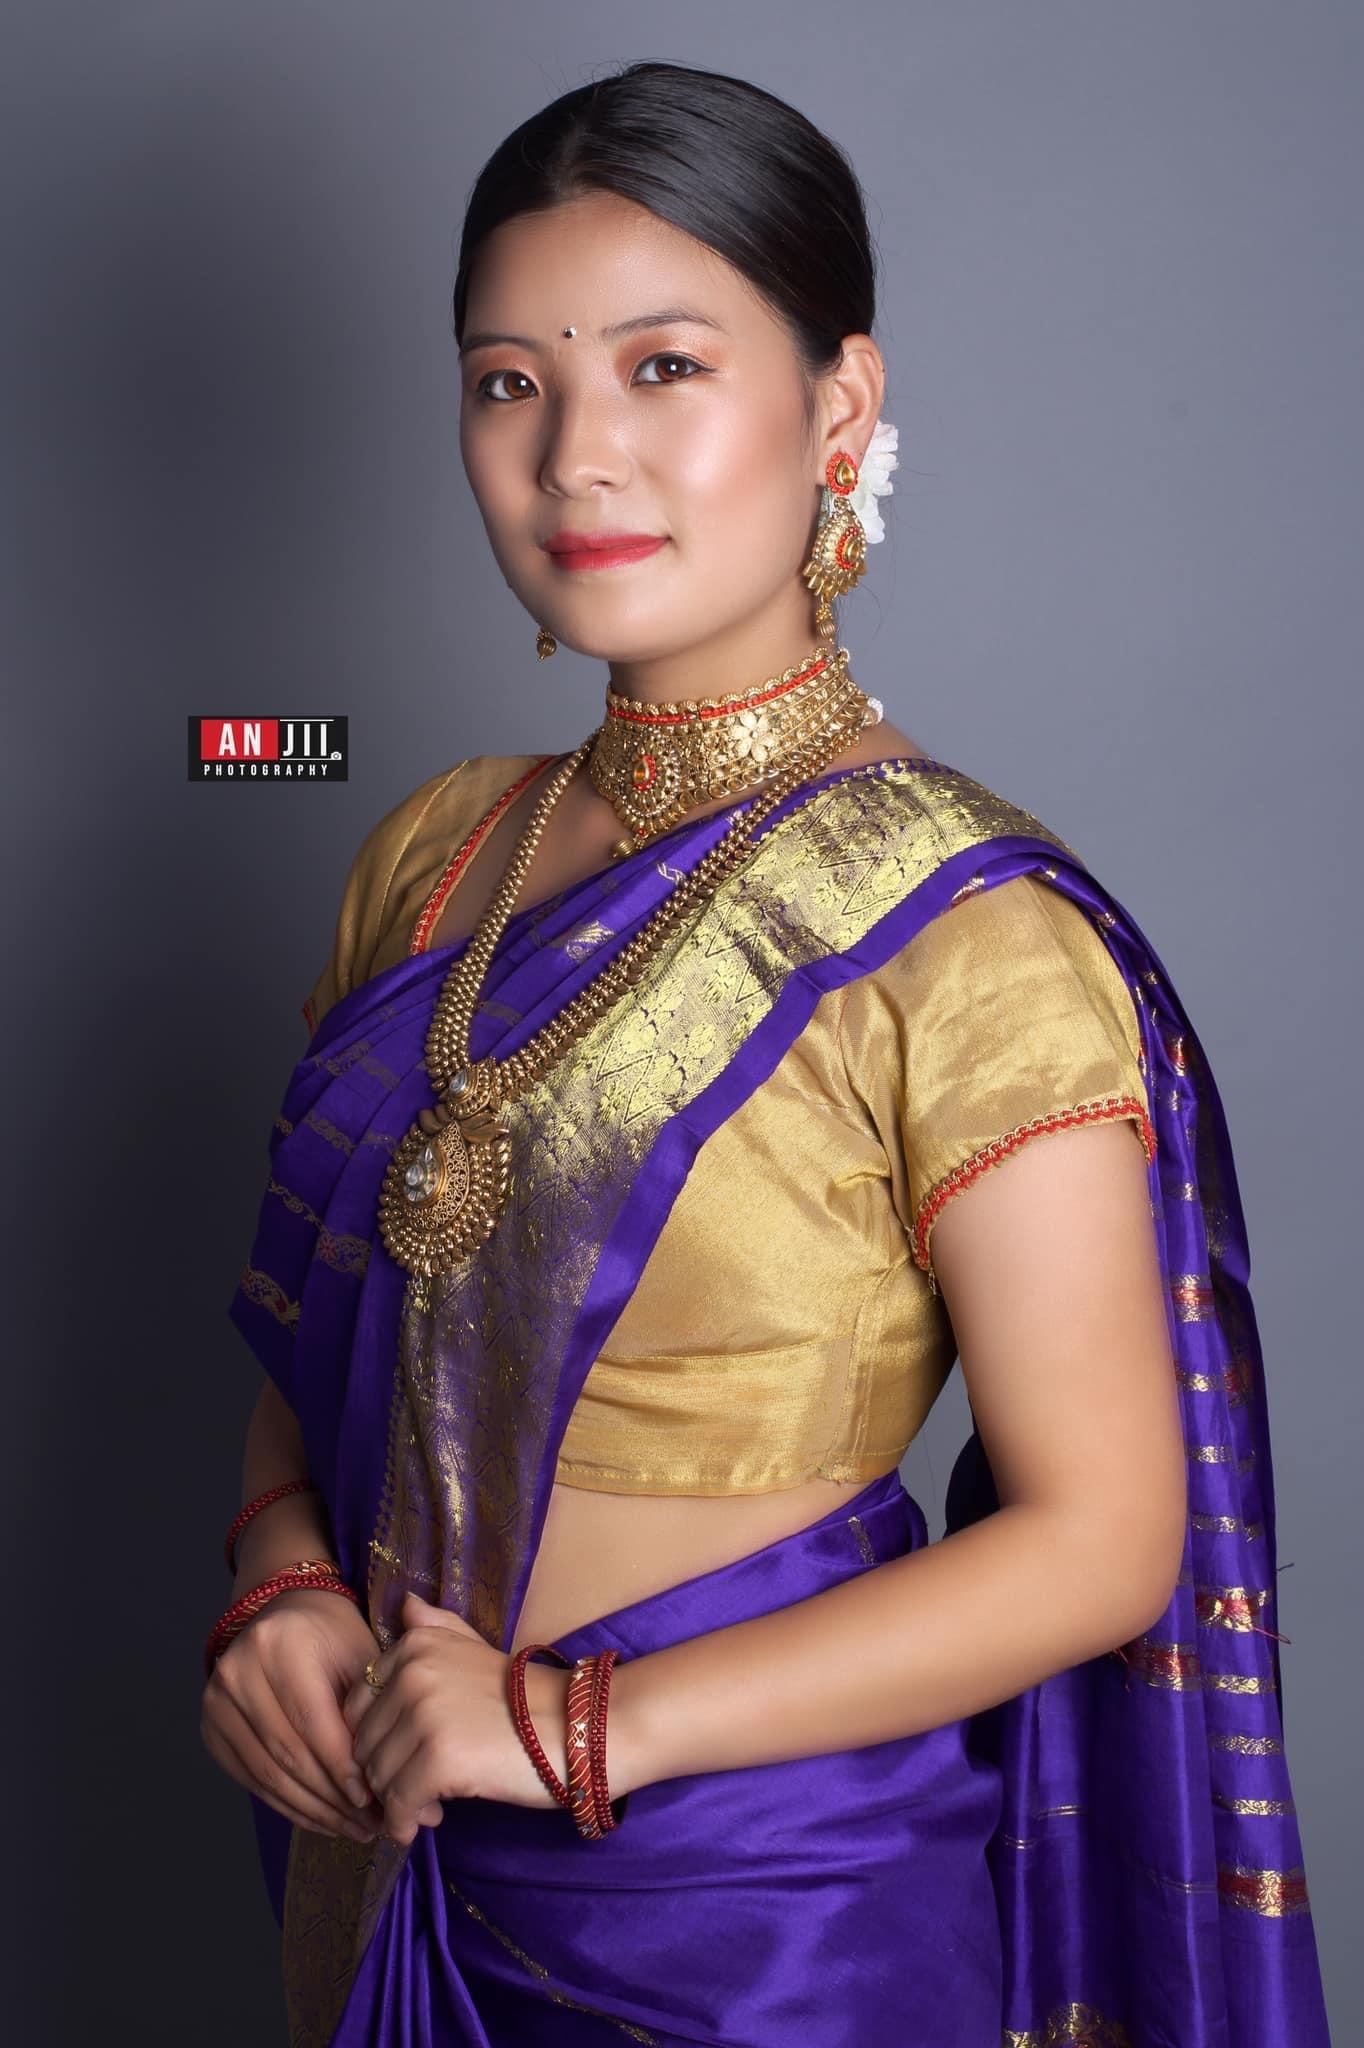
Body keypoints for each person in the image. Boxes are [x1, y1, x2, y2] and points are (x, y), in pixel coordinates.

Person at [201, 61, 1332, 2048]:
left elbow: (1099, 1537)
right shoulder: (435, 854)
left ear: (839, 410)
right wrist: (276, 1579)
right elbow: (333, 1343)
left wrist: (577, 1729)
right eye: (508, 383)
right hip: (397, 1848)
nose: (576, 457)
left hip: (766, 1925)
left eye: (663, 368)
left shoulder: (967, 936)